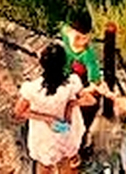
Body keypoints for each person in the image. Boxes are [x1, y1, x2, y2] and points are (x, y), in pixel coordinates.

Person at [14, 41, 89, 174]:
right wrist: (71, 105)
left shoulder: (32, 89)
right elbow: (89, 100)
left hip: (45, 137)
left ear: (42, 63)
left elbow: (19, 111)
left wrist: (47, 118)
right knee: (67, 163)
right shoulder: (72, 82)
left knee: (44, 167)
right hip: (68, 132)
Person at [61, 9, 108, 135]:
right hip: (67, 74)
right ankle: (64, 133)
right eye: (78, 37)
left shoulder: (88, 54)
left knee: (88, 108)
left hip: (83, 81)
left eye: (86, 38)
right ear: (68, 31)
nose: (83, 43)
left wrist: (81, 92)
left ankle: (82, 135)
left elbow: (95, 83)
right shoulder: (65, 33)